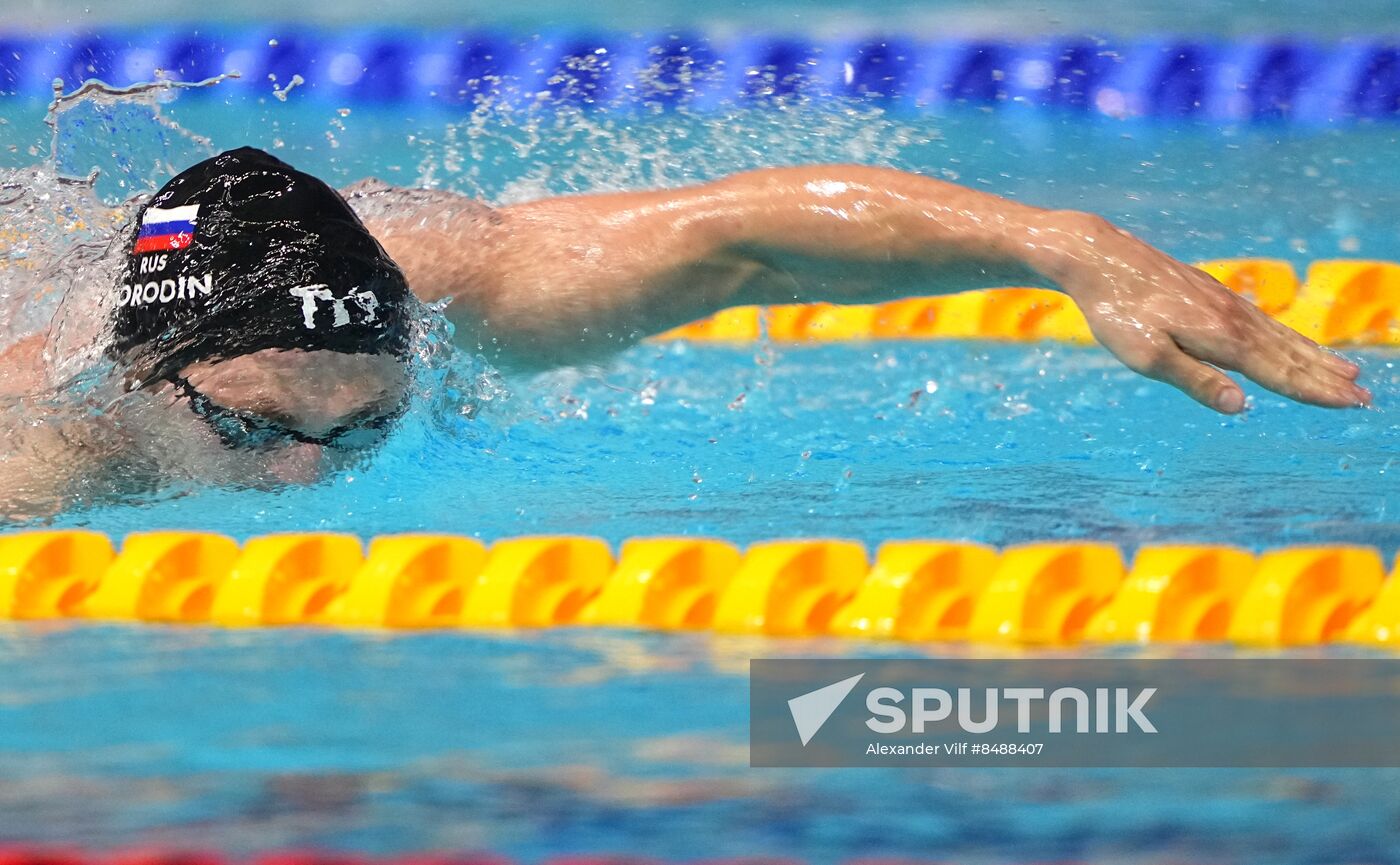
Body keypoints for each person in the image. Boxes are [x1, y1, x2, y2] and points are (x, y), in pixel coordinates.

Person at [0, 147, 1370, 516]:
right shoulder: (44, 448)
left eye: (367, 424)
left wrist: (1068, 244)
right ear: (142, 377)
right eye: (250, 427)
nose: (311, 475)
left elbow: (740, 237)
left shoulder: (453, 291)